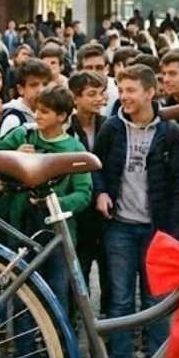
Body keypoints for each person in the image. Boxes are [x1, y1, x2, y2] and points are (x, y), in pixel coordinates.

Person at [92, 64, 179, 358]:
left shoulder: (171, 132)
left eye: (131, 90)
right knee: (120, 300)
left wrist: (172, 234)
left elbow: (177, 187)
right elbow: (96, 167)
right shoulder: (112, 128)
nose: (124, 96)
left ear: (150, 93)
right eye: (121, 90)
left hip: (156, 230)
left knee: (156, 301)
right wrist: (101, 192)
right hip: (119, 227)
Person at [0, 85, 93, 352]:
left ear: (62, 116)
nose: (38, 116)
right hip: (22, 225)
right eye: (37, 110)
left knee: (56, 294)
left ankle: (57, 352)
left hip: (57, 230)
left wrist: (55, 203)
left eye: (45, 111)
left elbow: (83, 193)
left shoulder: (73, 148)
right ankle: (26, 354)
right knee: (22, 294)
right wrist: (15, 157)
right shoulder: (24, 134)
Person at [67, 70, 111, 315]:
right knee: (78, 271)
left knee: (109, 272)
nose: (98, 99)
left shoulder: (108, 125)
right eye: (91, 94)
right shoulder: (67, 128)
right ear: (75, 98)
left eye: (101, 93)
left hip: (106, 211)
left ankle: (108, 320)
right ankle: (77, 319)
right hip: (80, 210)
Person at [0, 58, 52, 137]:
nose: (41, 90)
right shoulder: (13, 119)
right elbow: (4, 144)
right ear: (21, 89)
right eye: (34, 85)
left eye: (45, 84)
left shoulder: (51, 115)